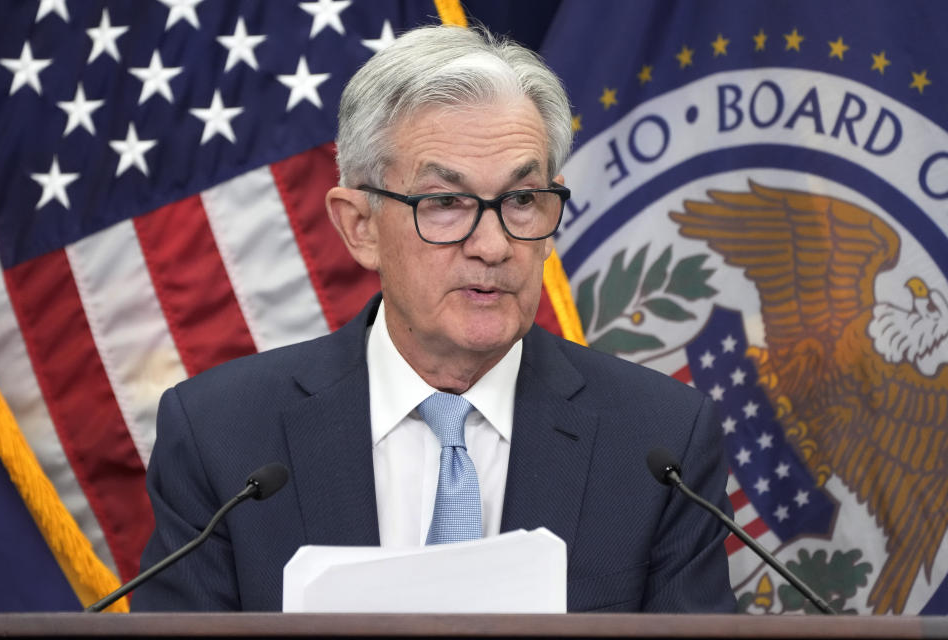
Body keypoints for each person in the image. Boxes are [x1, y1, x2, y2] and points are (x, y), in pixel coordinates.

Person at [133, 24, 736, 613]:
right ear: (360, 226)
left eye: (522, 201)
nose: (494, 246)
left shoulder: (660, 445)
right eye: (446, 203)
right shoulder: (222, 437)